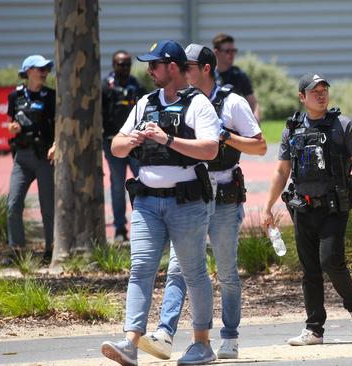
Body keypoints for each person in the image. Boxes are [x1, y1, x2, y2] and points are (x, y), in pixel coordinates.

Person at [137, 44, 266, 360]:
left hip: (223, 197)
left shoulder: (232, 102)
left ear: (205, 69)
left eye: (188, 66)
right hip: (190, 196)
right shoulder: (179, 102)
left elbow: (260, 147)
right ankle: (165, 333)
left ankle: (230, 336)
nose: (182, 70)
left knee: (226, 273)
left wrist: (226, 138)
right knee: (178, 268)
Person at [99, 40, 220, 366]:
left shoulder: (198, 104)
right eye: (149, 64)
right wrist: (134, 138)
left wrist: (166, 138)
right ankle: (130, 343)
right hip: (147, 203)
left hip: (187, 203)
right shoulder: (144, 103)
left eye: (155, 64)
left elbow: (210, 149)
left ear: (173, 67)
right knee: (140, 269)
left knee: (193, 273)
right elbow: (117, 147)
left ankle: (201, 344)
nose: (149, 70)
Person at [260, 73, 352, 346]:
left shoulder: (344, 125)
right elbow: (281, 170)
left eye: (324, 90)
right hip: (303, 208)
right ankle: (314, 330)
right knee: (310, 270)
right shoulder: (292, 129)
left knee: (330, 262)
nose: (321, 95)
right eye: (314, 91)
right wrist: (267, 206)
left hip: (335, 207)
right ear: (302, 97)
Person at [5, 54, 56, 265]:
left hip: (45, 156)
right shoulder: (14, 96)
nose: (44, 72)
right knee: (13, 204)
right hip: (22, 158)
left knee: (48, 207)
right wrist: (12, 129)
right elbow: (10, 123)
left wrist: (56, 145)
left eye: (46, 69)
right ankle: (16, 250)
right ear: (28, 72)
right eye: (40, 69)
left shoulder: (51, 96)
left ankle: (50, 249)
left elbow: (59, 124)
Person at [101, 50, 146, 242]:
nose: (125, 67)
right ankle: (120, 228)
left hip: (136, 144)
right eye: (121, 64)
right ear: (113, 65)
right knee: (118, 187)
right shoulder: (104, 87)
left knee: (143, 182)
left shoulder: (137, 86)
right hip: (113, 144)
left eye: (128, 64)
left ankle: (143, 226)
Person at [212, 33, 261, 121]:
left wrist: (256, 121)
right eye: (227, 51)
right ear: (216, 52)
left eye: (233, 51)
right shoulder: (209, 75)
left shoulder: (239, 75)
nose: (231, 54)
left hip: (235, 122)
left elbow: (253, 102)